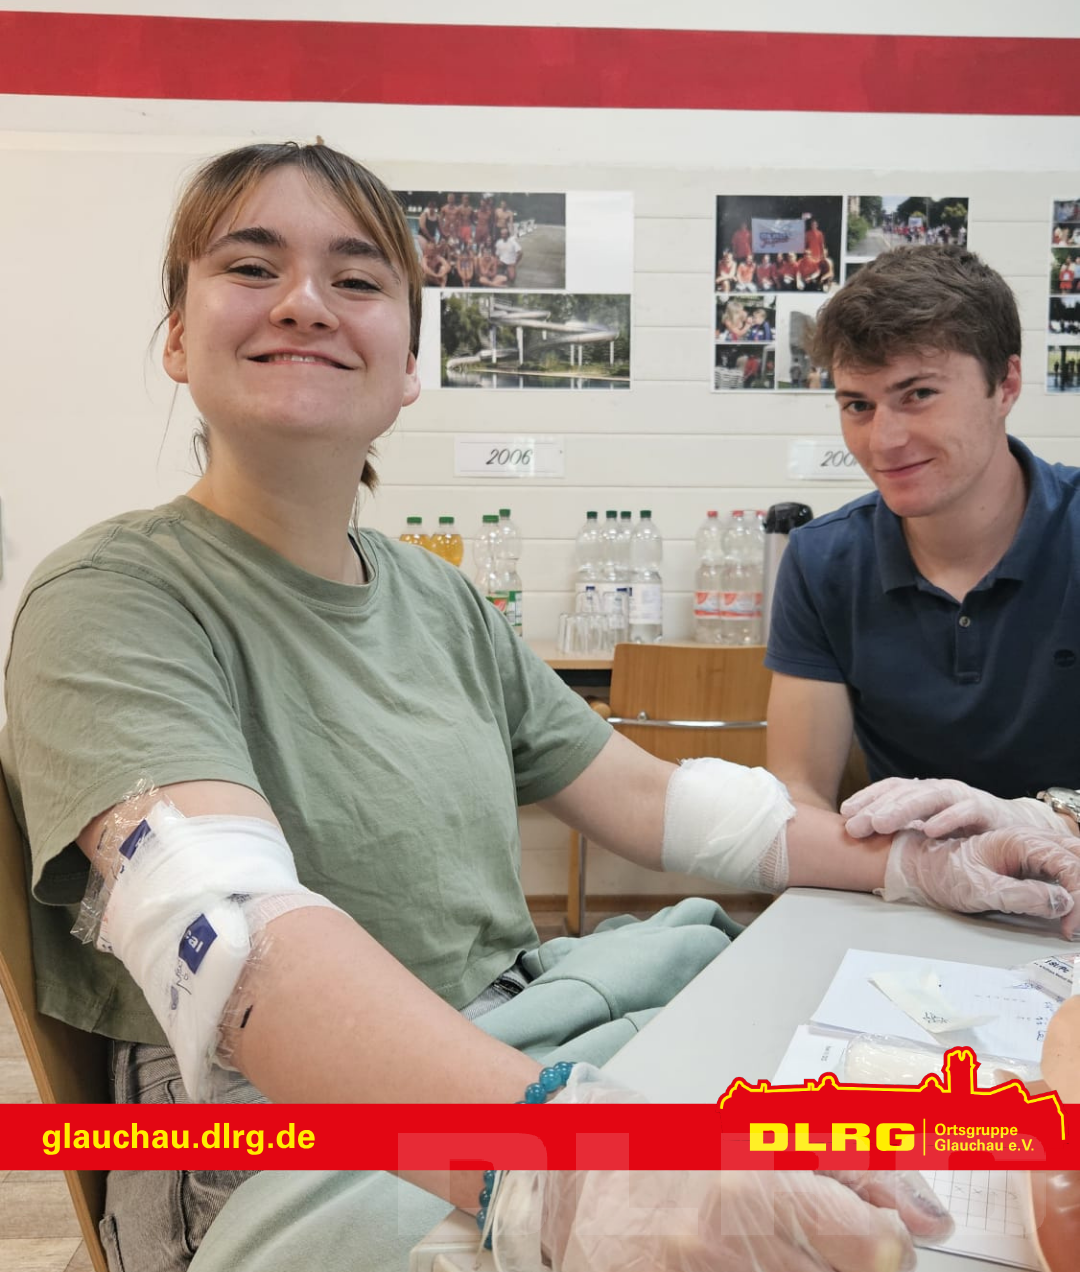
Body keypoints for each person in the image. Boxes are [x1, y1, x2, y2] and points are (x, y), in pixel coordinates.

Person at [4, 146, 1079, 1272]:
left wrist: (914, 861)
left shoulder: (438, 598)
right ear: (177, 336)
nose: (306, 302)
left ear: (409, 364)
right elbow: (225, 934)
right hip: (276, 1120)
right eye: (251, 266)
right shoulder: (114, 597)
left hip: (512, 1039)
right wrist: (562, 1166)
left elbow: (659, 804)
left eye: (357, 280)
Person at [765, 245, 1080, 825]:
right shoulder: (822, 560)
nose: (884, 441)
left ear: (1006, 384)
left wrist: (1047, 824)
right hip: (902, 874)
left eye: (919, 394)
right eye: (858, 405)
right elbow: (799, 797)